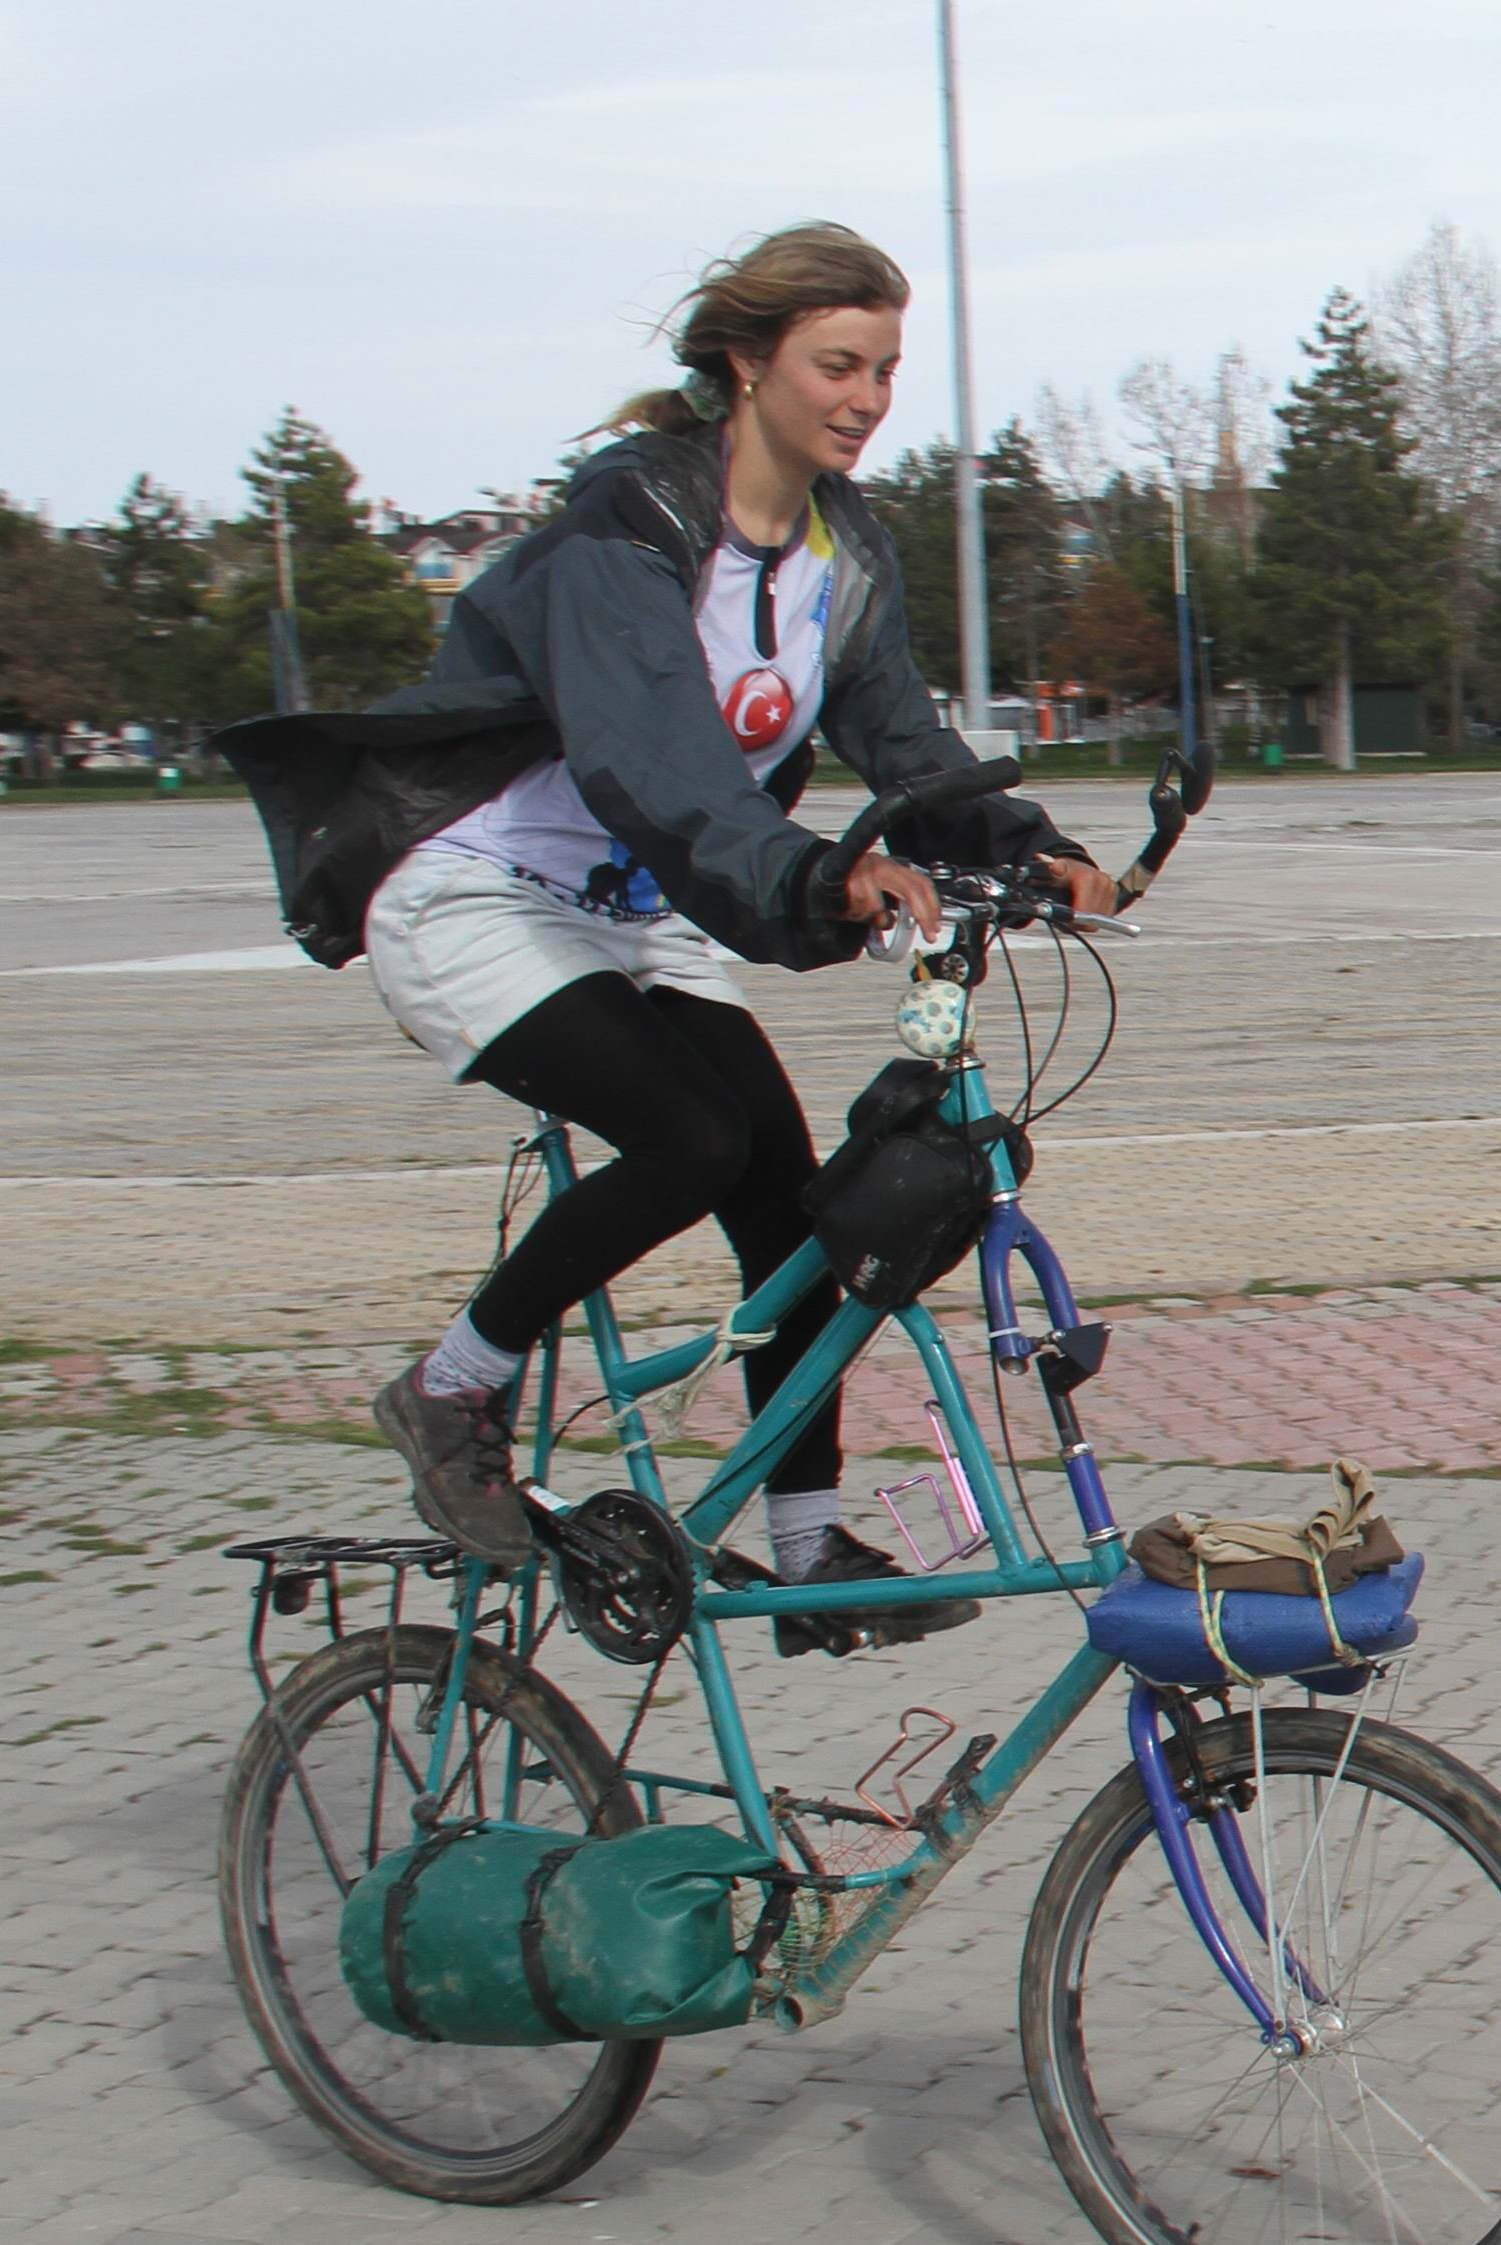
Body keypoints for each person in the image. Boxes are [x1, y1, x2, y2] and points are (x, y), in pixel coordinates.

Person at [329, 225, 1112, 1650]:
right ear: (747, 363)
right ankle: (451, 1386)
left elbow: (902, 742)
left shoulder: (840, 549)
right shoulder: (627, 528)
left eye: (883, 368)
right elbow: (655, 762)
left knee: (793, 1203)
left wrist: (1024, 851)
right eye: (836, 363)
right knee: (689, 1138)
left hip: (635, 914)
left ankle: (807, 1547)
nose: (867, 396)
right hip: (483, 892)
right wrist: (814, 879)